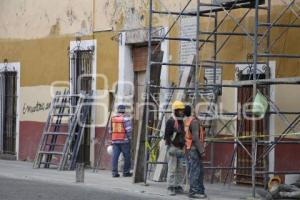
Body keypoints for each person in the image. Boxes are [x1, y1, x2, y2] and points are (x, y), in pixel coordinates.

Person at [184, 105, 207, 199]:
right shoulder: (194, 122)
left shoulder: (188, 121)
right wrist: (202, 151)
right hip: (194, 149)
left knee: (197, 170)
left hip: (190, 148)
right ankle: (194, 191)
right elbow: (196, 138)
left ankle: (200, 190)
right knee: (196, 171)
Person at [164, 101, 186, 196]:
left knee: (180, 168)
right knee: (172, 168)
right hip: (173, 148)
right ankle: (171, 186)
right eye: (179, 110)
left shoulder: (181, 121)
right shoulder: (171, 121)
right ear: (175, 111)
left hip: (180, 148)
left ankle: (177, 186)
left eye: (182, 110)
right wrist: (171, 147)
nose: (181, 112)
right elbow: (166, 136)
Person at [110, 104, 132, 178]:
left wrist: (113, 137)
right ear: (124, 111)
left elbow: (110, 131)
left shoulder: (113, 119)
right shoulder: (126, 119)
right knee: (127, 157)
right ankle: (126, 172)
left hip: (115, 141)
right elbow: (128, 130)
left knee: (114, 157)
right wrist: (129, 138)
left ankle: (114, 173)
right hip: (124, 141)